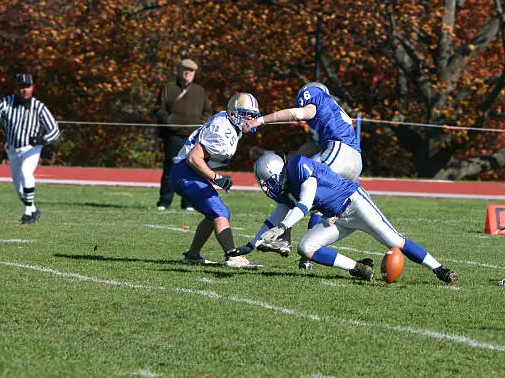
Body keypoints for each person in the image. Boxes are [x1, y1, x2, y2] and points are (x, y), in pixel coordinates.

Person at [237, 153, 457, 283]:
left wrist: (284, 226)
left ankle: (439, 269)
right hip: (336, 217)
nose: (269, 189)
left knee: (395, 242)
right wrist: (251, 244)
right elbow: (273, 219)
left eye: (270, 183)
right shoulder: (286, 188)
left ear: (279, 173)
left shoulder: (299, 168)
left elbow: (304, 204)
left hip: (355, 204)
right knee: (306, 248)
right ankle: (359, 268)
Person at [242, 82, 362, 270]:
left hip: (341, 152)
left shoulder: (314, 95)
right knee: (317, 203)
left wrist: (260, 121)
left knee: (297, 189)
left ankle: (282, 236)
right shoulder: (330, 124)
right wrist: (267, 152)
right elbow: (301, 154)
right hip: (353, 163)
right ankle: (307, 257)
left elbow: (299, 113)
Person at [170, 93, 262, 268]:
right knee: (220, 212)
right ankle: (233, 256)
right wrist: (216, 177)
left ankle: (193, 255)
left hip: (189, 172)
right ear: (235, 113)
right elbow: (194, 158)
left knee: (212, 214)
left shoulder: (227, 122)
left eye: (252, 115)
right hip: (186, 172)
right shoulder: (223, 130)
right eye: (246, 114)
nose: (249, 119)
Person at [0, 73, 60, 224]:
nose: (24, 90)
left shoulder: (38, 107)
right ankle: (33, 209)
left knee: (27, 173)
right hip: (13, 149)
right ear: (16, 89)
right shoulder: (5, 103)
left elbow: (54, 131)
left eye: (27, 87)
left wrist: (41, 140)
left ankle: (27, 214)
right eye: (21, 87)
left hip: (31, 148)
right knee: (20, 190)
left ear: (32, 87)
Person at [153, 58, 212, 211]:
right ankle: (164, 202)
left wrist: (201, 124)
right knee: (170, 169)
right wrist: (169, 122)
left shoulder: (200, 91)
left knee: (192, 170)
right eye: (184, 69)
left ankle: (189, 203)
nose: (188, 73)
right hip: (174, 136)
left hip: (193, 138)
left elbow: (207, 111)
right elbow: (159, 109)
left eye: (191, 71)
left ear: (194, 73)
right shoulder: (168, 88)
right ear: (179, 71)